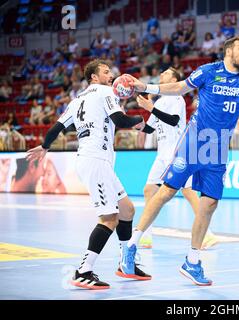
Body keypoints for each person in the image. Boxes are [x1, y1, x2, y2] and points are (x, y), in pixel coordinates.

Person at [122, 37, 239, 285]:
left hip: (220, 145)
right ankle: (132, 245)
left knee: (209, 204)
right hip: (194, 140)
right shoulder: (209, 71)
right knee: (166, 192)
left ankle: (192, 261)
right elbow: (180, 87)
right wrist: (146, 87)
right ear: (228, 51)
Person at [26, 59, 151, 289]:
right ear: (94, 77)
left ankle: (126, 264)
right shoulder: (105, 91)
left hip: (95, 161)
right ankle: (83, 270)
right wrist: (139, 120)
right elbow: (120, 120)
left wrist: (45, 146)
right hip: (95, 162)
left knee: (127, 209)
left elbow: (57, 128)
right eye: (106, 72)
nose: (111, 75)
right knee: (109, 218)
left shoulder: (77, 101)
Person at [135, 68, 218, 250]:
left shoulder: (176, 98)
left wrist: (151, 108)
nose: (161, 75)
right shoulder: (161, 101)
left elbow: (173, 120)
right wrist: (134, 122)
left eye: (165, 73)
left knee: (188, 192)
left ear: (174, 78)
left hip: (177, 151)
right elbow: (149, 129)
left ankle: (208, 235)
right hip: (162, 154)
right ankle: (146, 237)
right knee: (149, 190)